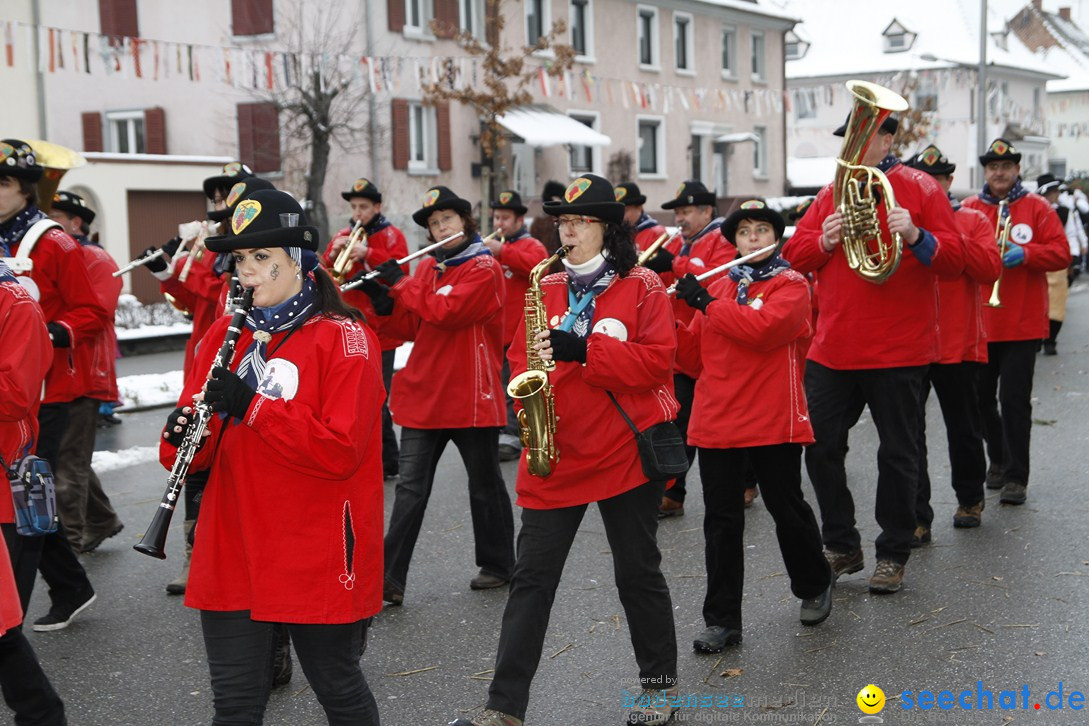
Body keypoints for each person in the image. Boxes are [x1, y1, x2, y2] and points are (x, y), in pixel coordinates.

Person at [451, 174, 681, 726]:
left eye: (580, 221)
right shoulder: (544, 285)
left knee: (637, 572)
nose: (569, 230)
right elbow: (517, 357)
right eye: (563, 221)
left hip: (624, 450)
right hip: (555, 449)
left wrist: (586, 348)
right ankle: (504, 707)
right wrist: (529, 393)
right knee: (531, 580)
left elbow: (657, 362)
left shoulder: (642, 285)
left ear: (609, 229)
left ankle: (660, 690)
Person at [159, 190, 383, 725]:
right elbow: (189, 453)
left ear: (299, 261)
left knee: (339, 690)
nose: (248, 272)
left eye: (262, 258)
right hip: (233, 540)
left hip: (316, 544)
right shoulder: (223, 333)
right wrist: (182, 434)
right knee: (235, 707)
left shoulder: (346, 337)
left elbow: (341, 451)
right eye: (240, 260)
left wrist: (253, 408)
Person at [781, 115, 964, 594]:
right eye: (848, 138)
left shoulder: (921, 188)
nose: (853, 147)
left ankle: (893, 550)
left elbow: (958, 260)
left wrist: (917, 237)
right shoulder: (830, 193)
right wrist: (825, 238)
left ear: (887, 139)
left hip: (899, 349)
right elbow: (795, 255)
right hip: (834, 347)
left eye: (863, 137)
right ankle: (841, 542)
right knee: (819, 448)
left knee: (898, 454)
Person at [675, 200, 832, 652]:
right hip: (718, 418)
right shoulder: (719, 286)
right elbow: (692, 357)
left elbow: (763, 330)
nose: (753, 239)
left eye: (762, 230)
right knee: (720, 522)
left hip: (772, 417)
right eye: (745, 233)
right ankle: (722, 620)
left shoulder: (792, 284)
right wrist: (664, 317)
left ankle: (813, 580)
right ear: (735, 241)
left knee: (786, 507)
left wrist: (703, 304)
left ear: (776, 237)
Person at [362, 186, 514, 605]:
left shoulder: (484, 268)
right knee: (410, 489)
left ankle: (499, 564)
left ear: (464, 222)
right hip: (425, 395)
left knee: (484, 485)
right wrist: (384, 297)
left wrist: (402, 285)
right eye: (433, 223)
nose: (440, 227)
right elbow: (414, 326)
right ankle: (390, 578)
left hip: (469, 396)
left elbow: (447, 313)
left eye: (446, 219)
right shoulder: (429, 268)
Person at [0, 139, 109, 630]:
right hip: (10, 386)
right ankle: (71, 587)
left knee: (25, 496)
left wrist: (46, 332)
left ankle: (11, 620)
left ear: (25, 190)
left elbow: (94, 311)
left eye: (2, 183)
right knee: (24, 497)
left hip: (49, 388)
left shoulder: (56, 242)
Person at [142, 166, 266, 597]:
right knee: (194, 461)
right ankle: (194, 554)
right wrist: (166, 272)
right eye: (218, 200)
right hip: (205, 361)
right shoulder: (217, 255)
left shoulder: (257, 262)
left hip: (248, 372)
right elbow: (191, 301)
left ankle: (238, 555)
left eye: (227, 201)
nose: (221, 208)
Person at [962, 140, 1070, 505]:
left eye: (1006, 166)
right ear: (986, 172)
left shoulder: (1037, 208)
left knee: (1014, 401)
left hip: (1022, 324)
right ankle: (999, 458)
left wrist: (1028, 253)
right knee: (979, 400)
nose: (1000, 172)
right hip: (980, 323)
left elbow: (1061, 253)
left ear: (1017, 170)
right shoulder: (971, 208)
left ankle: (1016, 477)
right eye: (993, 167)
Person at [902, 146, 1001, 542]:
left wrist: (945, 236)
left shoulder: (973, 219)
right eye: (925, 181)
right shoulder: (899, 223)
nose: (933, 187)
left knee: (963, 428)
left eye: (939, 180)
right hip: (912, 343)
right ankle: (917, 515)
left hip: (958, 345)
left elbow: (989, 268)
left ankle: (970, 497)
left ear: (947, 182)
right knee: (909, 437)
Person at [0, 257, 67, 725]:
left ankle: (42, 715)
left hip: (6, 488)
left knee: (3, 629)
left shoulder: (16, 302)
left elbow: (16, 394)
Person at [46, 191, 124, 553]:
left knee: (68, 464)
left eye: (56, 215)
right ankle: (103, 519)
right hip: (60, 372)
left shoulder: (93, 256)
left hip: (85, 373)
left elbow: (96, 312)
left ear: (76, 222)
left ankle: (70, 544)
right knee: (71, 457)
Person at [656, 181, 736, 519]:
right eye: (677, 213)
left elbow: (720, 278)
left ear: (706, 211)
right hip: (679, 347)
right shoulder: (679, 241)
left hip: (709, 344)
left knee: (718, 420)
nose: (680, 218)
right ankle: (673, 492)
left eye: (686, 211)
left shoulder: (723, 238)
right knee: (677, 420)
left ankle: (745, 480)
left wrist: (674, 263)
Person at [321, 177, 408, 480]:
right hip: (349, 326)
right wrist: (333, 253)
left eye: (364, 207)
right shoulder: (343, 234)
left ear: (377, 207)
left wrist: (368, 254)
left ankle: (388, 460)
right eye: (354, 207)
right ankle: (367, 456)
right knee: (353, 398)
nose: (358, 213)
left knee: (377, 398)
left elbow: (401, 271)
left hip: (381, 329)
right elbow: (326, 275)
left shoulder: (391, 235)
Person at [484, 190, 548, 462]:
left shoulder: (531, 245)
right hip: (494, 330)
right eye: (497, 217)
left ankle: (512, 433)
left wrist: (504, 252)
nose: (500, 223)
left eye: (506, 218)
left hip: (520, 330)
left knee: (514, 385)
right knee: (496, 385)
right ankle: (498, 430)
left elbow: (538, 267)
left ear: (520, 220)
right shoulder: (490, 246)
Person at [1035, 174, 1079, 355]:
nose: (1056, 195)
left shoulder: (1063, 212)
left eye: (1056, 192)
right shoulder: (1034, 209)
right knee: (1036, 305)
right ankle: (1035, 338)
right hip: (1037, 262)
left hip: (1056, 262)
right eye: (1052, 192)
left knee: (1057, 305)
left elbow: (1071, 235)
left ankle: (1051, 340)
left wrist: (1073, 259)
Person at [616, 182, 678, 283]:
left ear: (639, 208)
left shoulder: (657, 233)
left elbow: (666, 275)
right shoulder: (618, 233)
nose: (621, 216)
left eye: (625, 211)